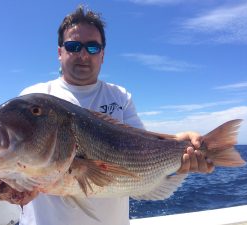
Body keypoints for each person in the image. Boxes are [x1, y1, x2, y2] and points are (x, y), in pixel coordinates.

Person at [17, 5, 214, 225]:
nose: (83, 54)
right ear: (59, 52)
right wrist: (9, 183)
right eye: (73, 46)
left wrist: (179, 142)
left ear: (102, 54)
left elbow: (141, 145)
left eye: (92, 47)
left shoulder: (120, 96)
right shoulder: (35, 99)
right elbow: (14, 161)